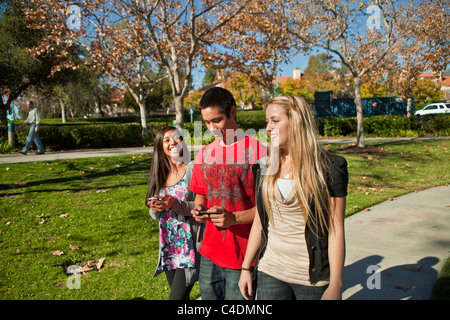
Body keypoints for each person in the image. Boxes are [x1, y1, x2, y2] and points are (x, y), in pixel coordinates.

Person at [238, 95, 348, 300]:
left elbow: (335, 230)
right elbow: (260, 221)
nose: (268, 128)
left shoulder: (330, 169)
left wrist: (336, 285)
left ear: (296, 121)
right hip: (270, 269)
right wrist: (246, 267)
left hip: (311, 277)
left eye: (275, 120)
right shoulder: (264, 168)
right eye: (267, 122)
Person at [189, 87, 267, 300]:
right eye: (206, 123)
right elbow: (200, 195)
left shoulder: (260, 152)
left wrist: (235, 218)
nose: (211, 128)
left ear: (233, 112)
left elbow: (268, 208)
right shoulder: (204, 154)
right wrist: (198, 208)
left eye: (216, 120)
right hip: (209, 253)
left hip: (243, 256)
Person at [146, 126, 203, 300]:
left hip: (189, 246)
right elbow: (155, 214)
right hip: (169, 244)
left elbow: (200, 207)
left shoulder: (192, 169)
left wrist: (175, 204)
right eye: (167, 140)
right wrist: (154, 207)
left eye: (177, 138)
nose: (173, 143)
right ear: (160, 147)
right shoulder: (160, 175)